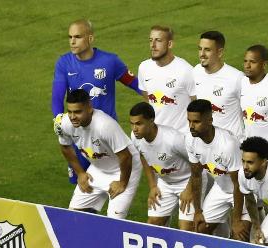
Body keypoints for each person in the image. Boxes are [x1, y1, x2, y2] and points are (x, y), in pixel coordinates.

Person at [52, 19, 141, 183]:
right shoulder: (64, 63)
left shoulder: (110, 61)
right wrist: (58, 119)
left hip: (106, 134)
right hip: (79, 133)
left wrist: (155, 99)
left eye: (77, 37)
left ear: (90, 38)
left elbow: (135, 83)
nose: (72, 41)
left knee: (113, 178)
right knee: (82, 182)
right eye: (70, 37)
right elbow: (57, 96)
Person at [56, 89, 141, 219]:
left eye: (78, 112)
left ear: (89, 108)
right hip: (98, 168)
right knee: (74, 215)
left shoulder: (105, 125)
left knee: (114, 221)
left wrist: (122, 182)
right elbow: (65, 147)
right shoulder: (66, 123)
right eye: (70, 111)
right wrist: (80, 173)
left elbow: (126, 156)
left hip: (124, 169)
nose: (73, 117)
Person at [130, 102, 204, 230]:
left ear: (151, 121)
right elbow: (143, 156)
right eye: (132, 123)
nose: (134, 129)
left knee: (186, 229)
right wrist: (153, 186)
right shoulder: (136, 137)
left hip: (189, 180)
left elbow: (198, 162)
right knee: (152, 225)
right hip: (165, 183)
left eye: (138, 123)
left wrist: (189, 189)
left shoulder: (173, 139)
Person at [186, 99, 251, 241]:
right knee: (200, 229)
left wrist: (236, 220)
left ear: (209, 120)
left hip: (244, 190)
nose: (191, 126)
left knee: (240, 236)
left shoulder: (228, 144)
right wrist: (198, 211)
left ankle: (256, 220)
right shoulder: (191, 140)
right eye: (189, 121)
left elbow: (238, 184)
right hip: (221, 188)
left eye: (196, 122)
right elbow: (196, 176)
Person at [138, 25, 196, 133]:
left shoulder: (186, 71)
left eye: (158, 41)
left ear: (170, 44)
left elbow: (198, 105)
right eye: (151, 40)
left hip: (181, 138)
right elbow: (147, 100)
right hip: (156, 136)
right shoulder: (144, 68)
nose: (153, 45)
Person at [193, 31, 245, 141]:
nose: (202, 54)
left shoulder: (236, 78)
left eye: (207, 50)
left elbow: (250, 111)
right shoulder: (195, 72)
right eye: (200, 49)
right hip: (206, 146)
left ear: (220, 52)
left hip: (233, 148)